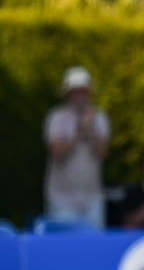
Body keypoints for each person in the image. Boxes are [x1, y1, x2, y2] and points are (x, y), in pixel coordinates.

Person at [43, 65, 111, 229]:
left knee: (93, 243)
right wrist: (80, 131)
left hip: (92, 200)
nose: (80, 96)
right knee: (63, 244)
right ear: (68, 94)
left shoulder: (100, 117)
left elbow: (102, 153)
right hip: (62, 200)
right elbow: (57, 153)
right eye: (76, 91)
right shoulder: (56, 118)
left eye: (83, 91)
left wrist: (90, 129)